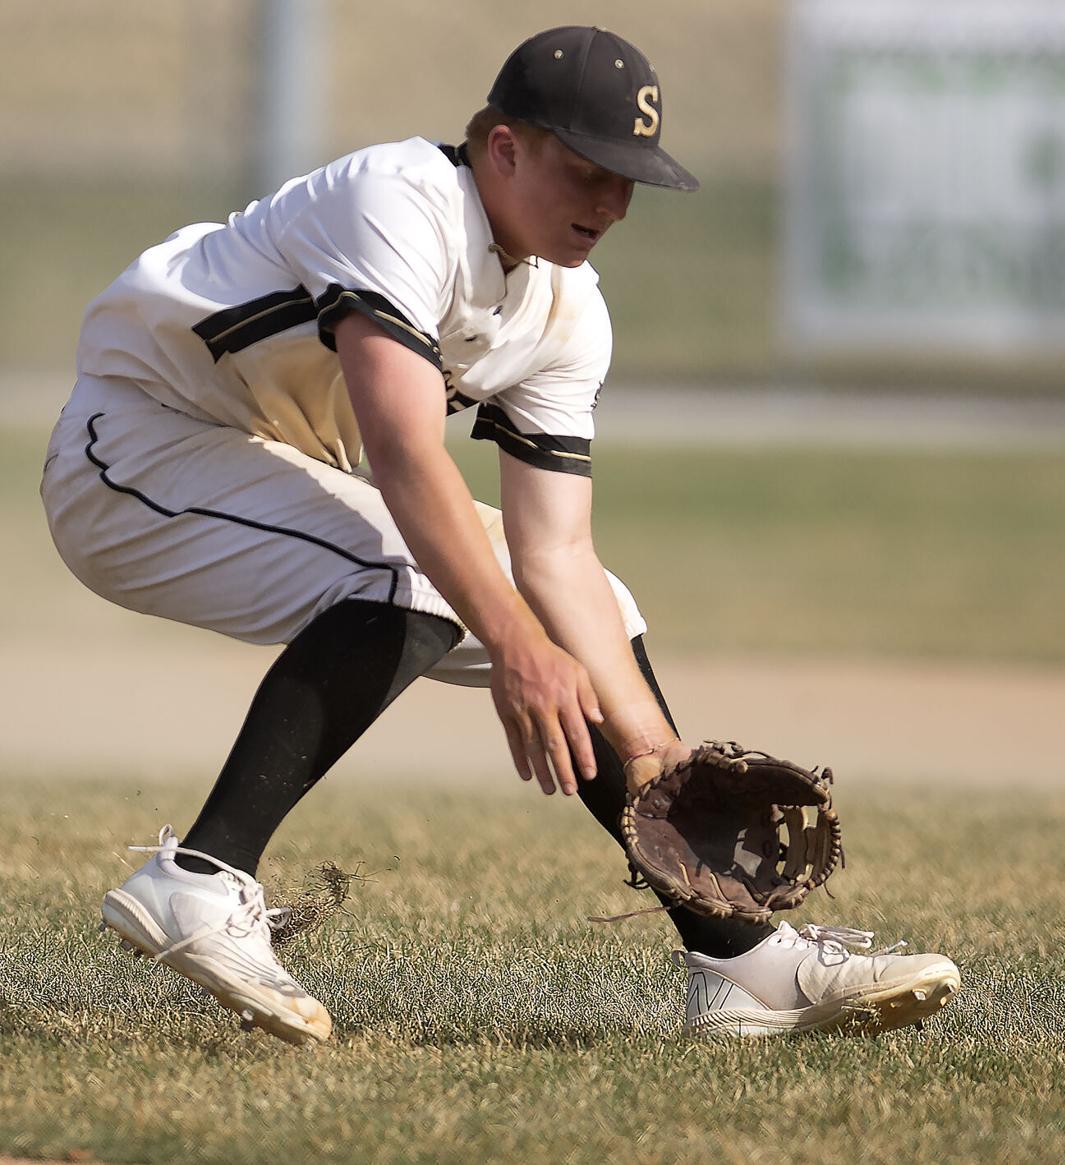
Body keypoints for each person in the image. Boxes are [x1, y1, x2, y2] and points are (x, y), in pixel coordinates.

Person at [41, 26, 960, 1045]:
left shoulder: (570, 313)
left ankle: (743, 965)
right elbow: (402, 452)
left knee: (597, 617)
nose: (611, 204)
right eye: (589, 168)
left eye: (632, 181)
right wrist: (517, 647)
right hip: (134, 448)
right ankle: (203, 878)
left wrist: (652, 748)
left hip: (273, 468)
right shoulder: (397, 200)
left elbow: (556, 555)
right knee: (426, 577)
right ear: (503, 145)